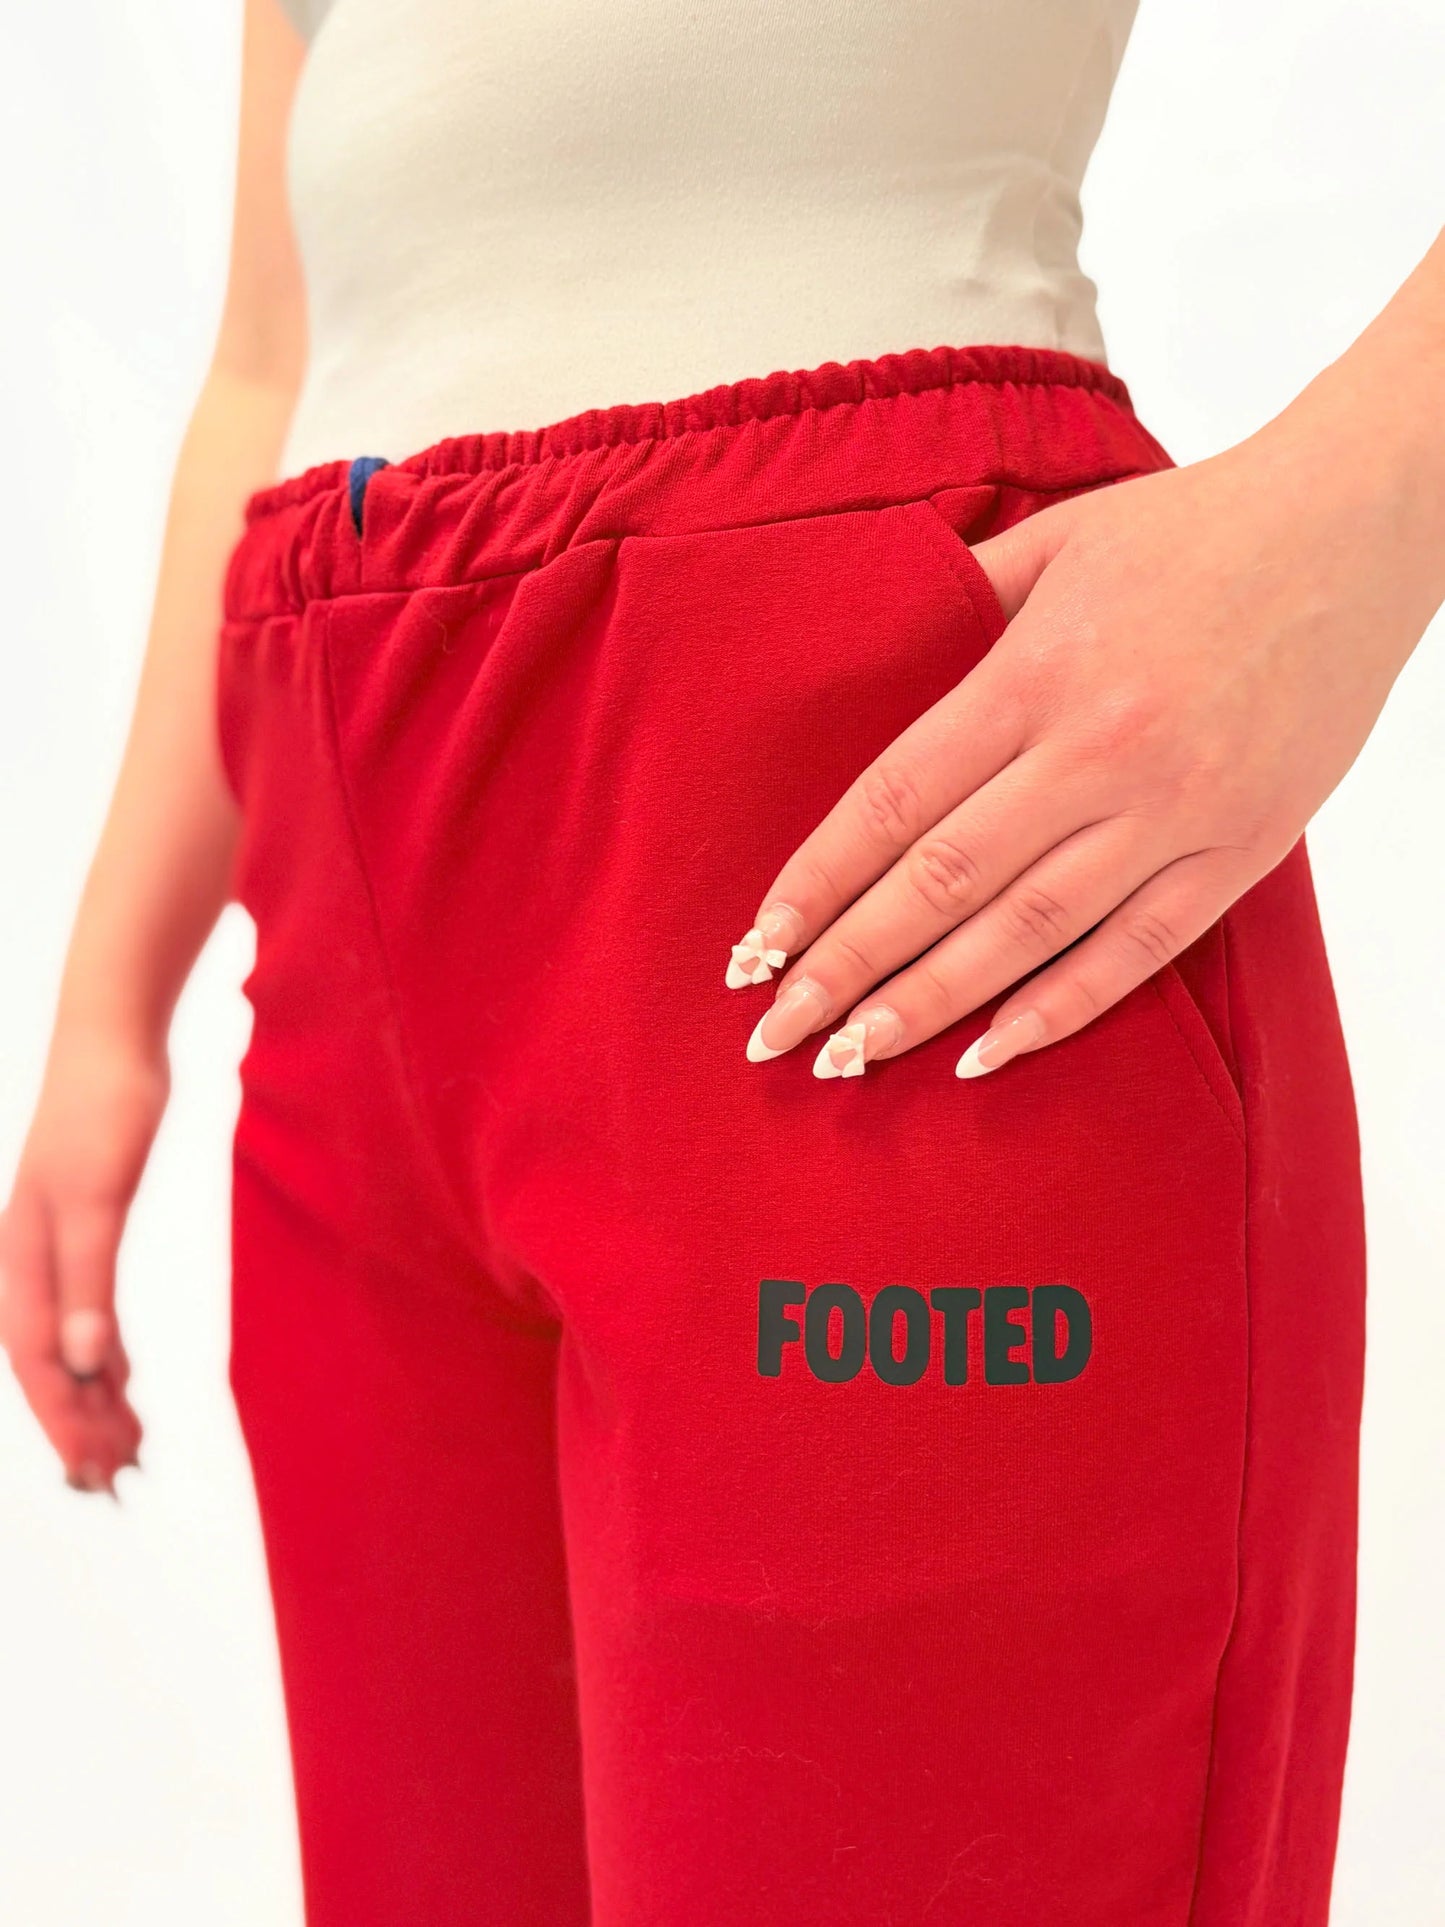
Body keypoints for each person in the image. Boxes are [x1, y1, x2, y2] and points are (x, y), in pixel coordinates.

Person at [1, 2, 1438, 1921]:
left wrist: (1339, 526)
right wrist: (110, 1004)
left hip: (854, 790)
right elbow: (278, 335)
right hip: (341, 874)